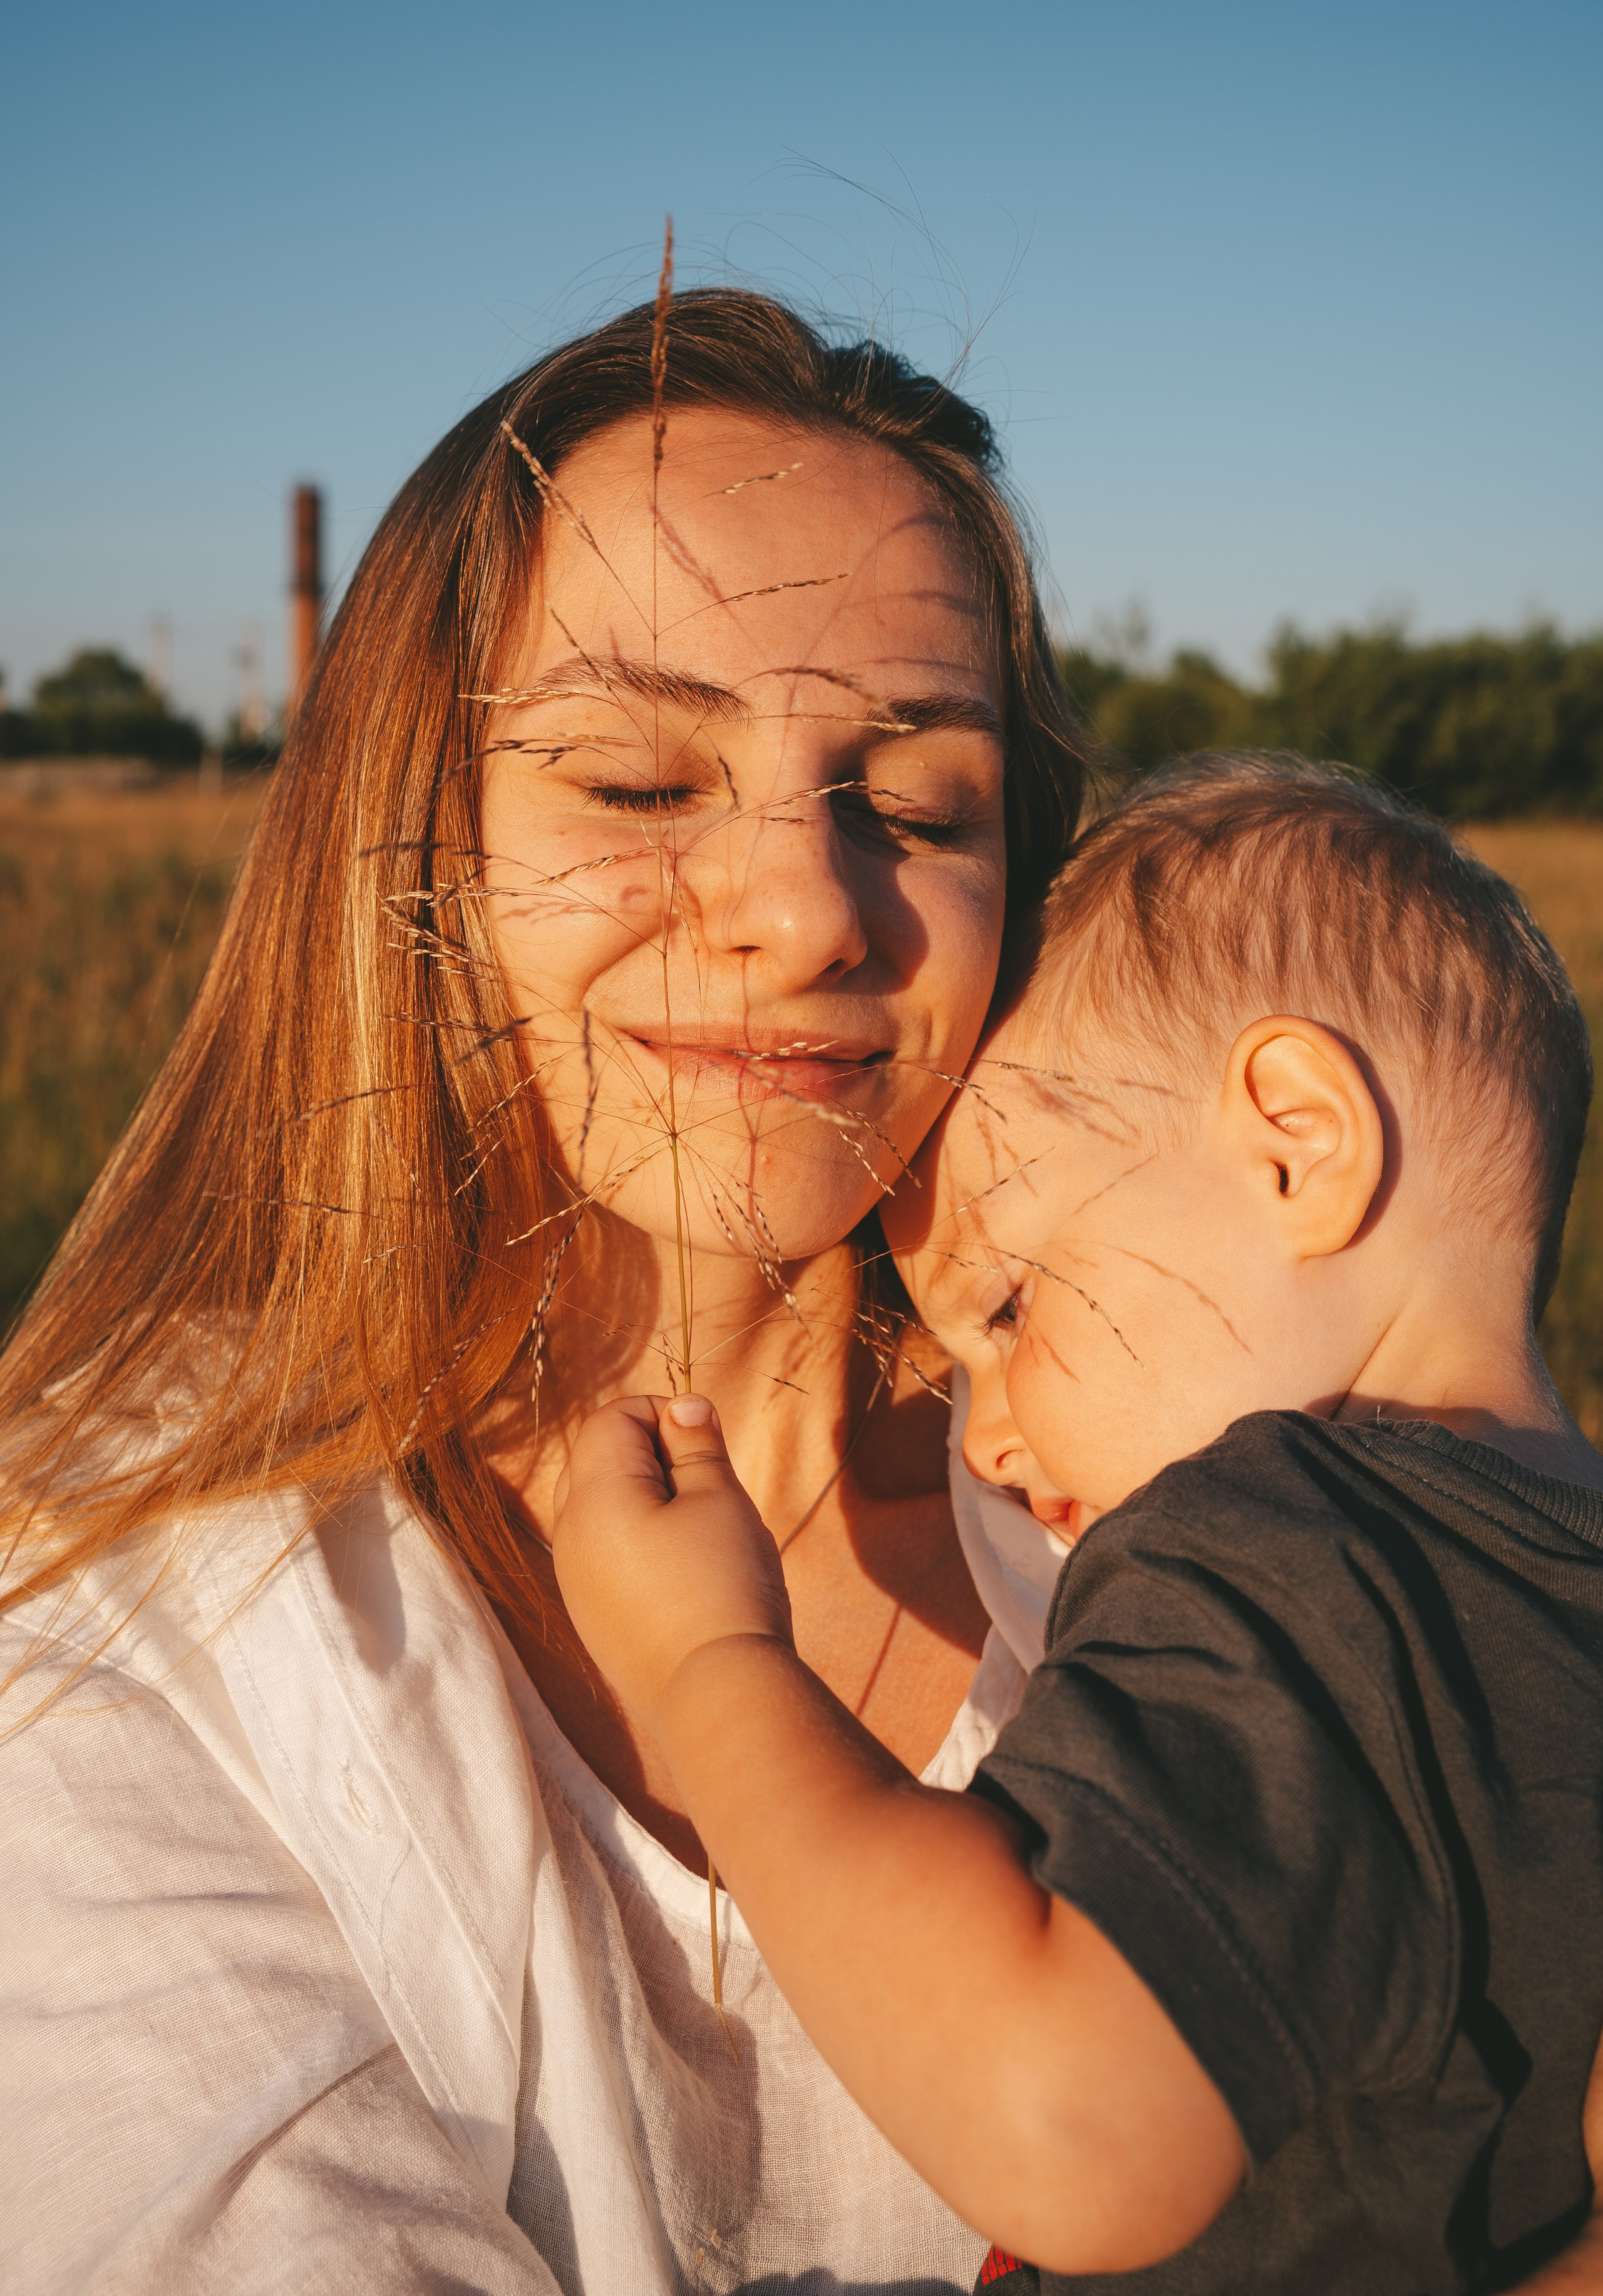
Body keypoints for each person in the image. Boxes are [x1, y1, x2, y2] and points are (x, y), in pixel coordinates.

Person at [1, 287, 1086, 2294]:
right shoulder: (120, 1586)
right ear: (413, 848)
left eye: (921, 803)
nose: (808, 908)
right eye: (640, 784)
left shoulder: (1180, 1528)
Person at [550, 755, 1603, 2292]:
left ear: (1295, 1145)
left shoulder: (1283, 1557)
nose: (982, 1434)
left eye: (1010, 1298)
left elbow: (1063, 2126)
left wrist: (707, 1668)